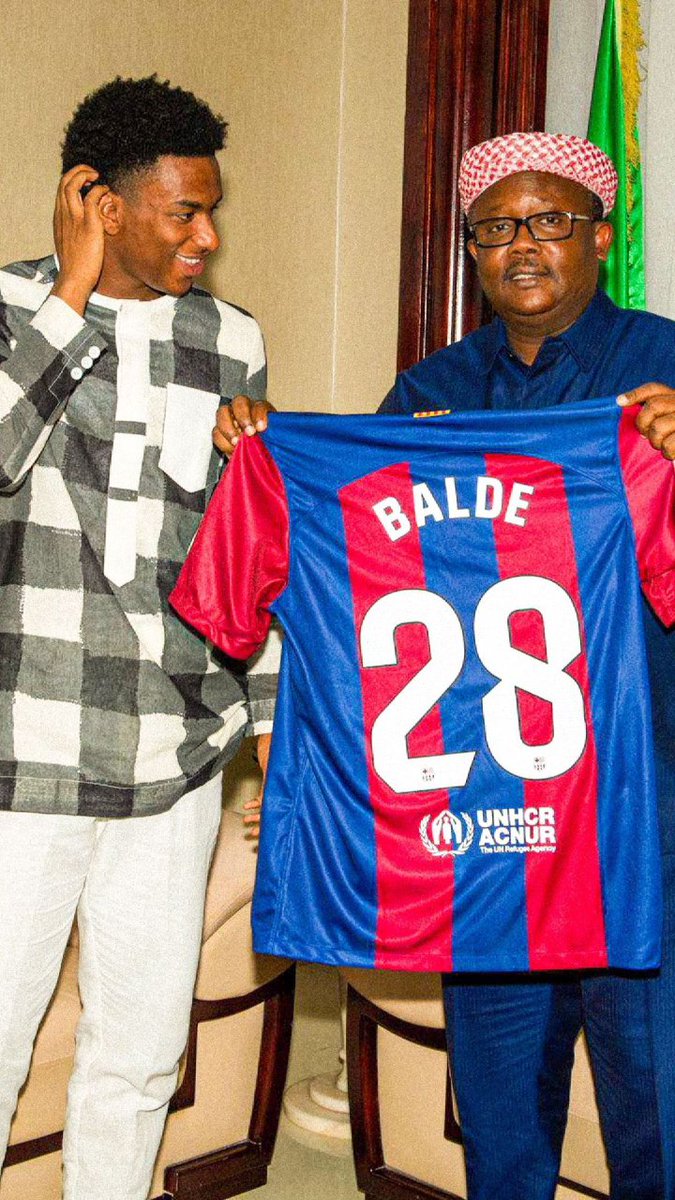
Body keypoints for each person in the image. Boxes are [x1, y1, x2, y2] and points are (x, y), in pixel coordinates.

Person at [215, 132, 675, 1199]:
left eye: (551, 220)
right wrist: (271, 452)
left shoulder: (664, 365)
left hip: (633, 825)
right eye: (496, 227)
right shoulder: (429, 392)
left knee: (656, 1126)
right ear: (470, 251)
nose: (524, 245)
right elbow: (353, 587)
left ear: (599, 237)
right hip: (489, 835)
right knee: (503, 1134)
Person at [0, 75, 277, 1200]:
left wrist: (271, 729)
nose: (208, 235)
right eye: (182, 212)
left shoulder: (234, 340)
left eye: (213, 209)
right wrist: (65, 300)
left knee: (139, 1055)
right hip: (28, 752)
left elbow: (247, 557)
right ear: (99, 203)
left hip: (177, 757)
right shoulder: (11, 310)